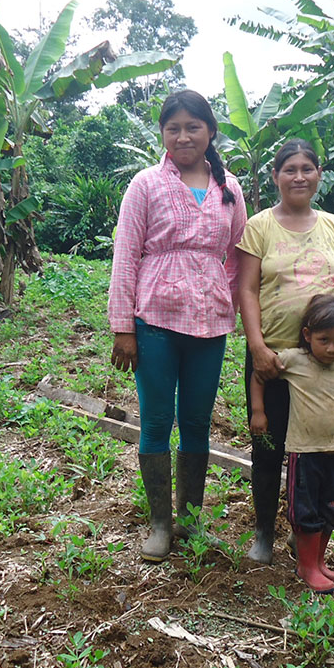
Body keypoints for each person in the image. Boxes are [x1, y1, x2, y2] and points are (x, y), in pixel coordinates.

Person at [108, 90, 247, 562]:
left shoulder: (231, 188)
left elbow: (238, 256)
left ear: (210, 132)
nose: (183, 136)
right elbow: (126, 255)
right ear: (163, 134)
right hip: (155, 321)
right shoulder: (145, 184)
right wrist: (122, 327)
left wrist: (227, 301)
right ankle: (160, 525)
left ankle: (189, 521)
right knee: (156, 421)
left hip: (210, 324)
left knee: (195, 422)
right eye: (173, 128)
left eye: (193, 126)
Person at [237, 139, 334, 565]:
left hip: (321, 362)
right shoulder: (259, 226)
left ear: (318, 175)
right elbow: (247, 288)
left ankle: (305, 533)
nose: (298, 176)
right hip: (272, 358)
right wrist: (257, 346)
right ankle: (263, 532)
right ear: (275, 176)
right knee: (268, 447)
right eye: (289, 169)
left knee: (317, 453)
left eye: (307, 168)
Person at [249, 295, 334, 593]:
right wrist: (258, 411)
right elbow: (259, 376)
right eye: (323, 339)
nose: (331, 348)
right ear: (307, 336)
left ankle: (318, 561)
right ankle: (306, 566)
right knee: (305, 510)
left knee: (330, 507)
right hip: (306, 453)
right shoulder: (293, 360)